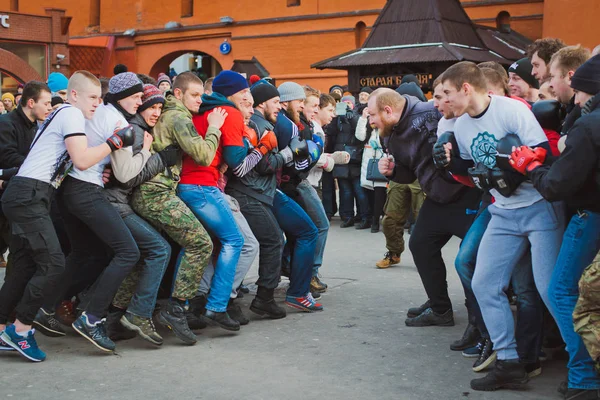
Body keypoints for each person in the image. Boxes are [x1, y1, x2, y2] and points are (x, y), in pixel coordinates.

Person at [440, 61, 564, 391]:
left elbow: (542, 151)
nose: (444, 102)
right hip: (504, 213)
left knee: (552, 291)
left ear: (466, 88)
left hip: (539, 208)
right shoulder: (461, 126)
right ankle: (509, 362)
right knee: (484, 283)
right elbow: (474, 171)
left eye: (448, 94)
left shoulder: (511, 109)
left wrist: (513, 168)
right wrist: (451, 163)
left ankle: (588, 363)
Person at [0, 71, 135, 361]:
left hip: (27, 194)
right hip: (30, 195)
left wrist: (101, 163)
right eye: (92, 97)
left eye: (100, 98)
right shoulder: (71, 114)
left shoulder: (60, 114)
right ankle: (20, 330)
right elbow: (82, 159)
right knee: (52, 263)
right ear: (74, 95)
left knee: (24, 266)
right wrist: (114, 142)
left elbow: (71, 159)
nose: (98, 104)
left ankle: (3, 327)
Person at [510, 54, 600, 399]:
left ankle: (583, 377)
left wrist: (530, 166)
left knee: (562, 291)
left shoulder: (589, 125)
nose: (574, 100)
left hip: (590, 215)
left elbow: (555, 187)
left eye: (579, 93)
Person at [372, 87, 480, 327]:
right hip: (436, 197)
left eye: (371, 115)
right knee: (420, 244)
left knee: (471, 258)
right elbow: (409, 171)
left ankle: (478, 319)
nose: (369, 120)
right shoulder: (388, 132)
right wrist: (394, 172)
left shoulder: (431, 111)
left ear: (388, 110)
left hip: (467, 195)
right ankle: (440, 307)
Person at [131, 72, 224, 345]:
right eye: (195, 95)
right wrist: (215, 127)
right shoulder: (178, 117)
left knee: (150, 252)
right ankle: (176, 307)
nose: (200, 100)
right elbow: (205, 155)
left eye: (201, 95)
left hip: (150, 192)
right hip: (156, 193)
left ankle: (119, 313)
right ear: (180, 94)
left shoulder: (168, 113)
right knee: (200, 244)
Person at [103, 84, 175, 346]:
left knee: (140, 254)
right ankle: (138, 314)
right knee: (159, 249)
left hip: (119, 204)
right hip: (115, 204)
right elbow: (127, 179)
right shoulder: (134, 130)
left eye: (159, 107)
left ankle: (113, 319)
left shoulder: (141, 129)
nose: (156, 112)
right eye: (151, 106)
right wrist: (160, 159)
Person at [180, 70, 251, 332]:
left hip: (184, 185)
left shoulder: (198, 110)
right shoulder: (229, 113)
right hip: (202, 186)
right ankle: (217, 305)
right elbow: (235, 159)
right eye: (243, 91)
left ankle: (186, 306)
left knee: (199, 245)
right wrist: (247, 139)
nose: (246, 95)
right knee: (235, 241)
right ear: (231, 92)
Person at [326, 91, 370, 229]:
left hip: (355, 158)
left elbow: (360, 136)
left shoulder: (357, 116)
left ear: (353, 104)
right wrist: (337, 118)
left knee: (359, 191)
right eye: (344, 103)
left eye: (349, 103)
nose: (346, 105)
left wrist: (352, 118)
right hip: (341, 158)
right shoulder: (337, 118)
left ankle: (364, 217)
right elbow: (331, 132)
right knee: (345, 192)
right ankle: (347, 217)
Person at [0, 82, 52, 169]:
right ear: (31, 103)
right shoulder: (5, 123)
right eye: (46, 104)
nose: (50, 107)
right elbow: (7, 157)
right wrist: (40, 164)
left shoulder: (35, 126)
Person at [356, 105, 387, 233]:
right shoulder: (369, 130)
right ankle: (368, 219)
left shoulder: (384, 129)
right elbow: (359, 136)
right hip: (368, 163)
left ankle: (376, 221)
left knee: (380, 195)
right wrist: (363, 118)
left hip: (381, 162)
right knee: (368, 194)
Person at [548, 45, 591, 134]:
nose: (550, 84)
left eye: (552, 76)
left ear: (570, 77)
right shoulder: (571, 111)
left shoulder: (583, 116)